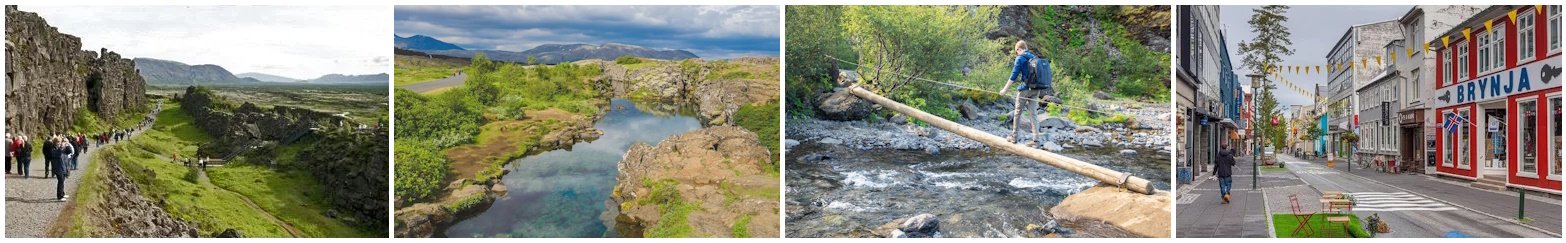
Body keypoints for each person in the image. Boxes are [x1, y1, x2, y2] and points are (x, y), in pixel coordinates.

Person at [997, 40, 1056, 146]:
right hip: (1036, 89)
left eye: (1016, 51)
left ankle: (1014, 136)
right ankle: (1036, 140)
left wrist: (1004, 89)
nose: (1016, 54)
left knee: (1017, 112)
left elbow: (1014, 76)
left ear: (1019, 49)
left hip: (1025, 89)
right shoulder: (1034, 57)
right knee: (1033, 114)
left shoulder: (1020, 58)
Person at [52, 137, 74, 201]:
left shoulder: (62, 148)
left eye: (60, 142)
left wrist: (67, 144)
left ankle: (62, 193)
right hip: (58, 168)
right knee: (60, 181)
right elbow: (57, 154)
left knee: (63, 181)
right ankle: (60, 196)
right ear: (55, 142)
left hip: (63, 167)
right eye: (58, 142)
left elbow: (69, 151)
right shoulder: (53, 149)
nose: (59, 143)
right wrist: (61, 148)